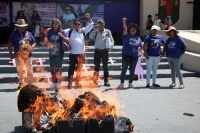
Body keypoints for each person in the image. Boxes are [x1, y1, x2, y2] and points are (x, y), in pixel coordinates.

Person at [63, 18, 93, 89]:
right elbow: (60, 31)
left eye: (78, 24)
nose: (77, 25)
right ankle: (70, 83)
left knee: (79, 69)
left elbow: (91, 26)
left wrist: (89, 19)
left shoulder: (83, 31)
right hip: (72, 54)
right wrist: (50, 30)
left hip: (81, 54)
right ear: (73, 25)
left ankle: (77, 82)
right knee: (71, 69)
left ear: (81, 25)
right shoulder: (69, 31)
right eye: (75, 24)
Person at [8, 19, 36, 89]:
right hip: (18, 55)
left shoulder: (28, 33)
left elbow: (34, 42)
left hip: (28, 55)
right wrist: (10, 54)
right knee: (20, 70)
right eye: (20, 26)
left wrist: (32, 47)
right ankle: (21, 83)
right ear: (17, 26)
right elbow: (10, 44)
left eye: (23, 26)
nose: (21, 28)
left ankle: (30, 83)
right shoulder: (13, 34)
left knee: (29, 69)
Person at [117, 18, 143, 89]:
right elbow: (125, 29)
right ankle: (121, 83)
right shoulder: (126, 35)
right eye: (132, 28)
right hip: (126, 56)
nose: (133, 29)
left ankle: (130, 83)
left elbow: (141, 47)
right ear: (130, 29)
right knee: (124, 70)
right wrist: (123, 21)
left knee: (132, 71)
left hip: (134, 57)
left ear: (136, 31)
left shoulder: (138, 38)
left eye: (135, 29)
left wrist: (141, 52)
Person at [43, 18, 68, 89]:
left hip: (60, 51)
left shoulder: (62, 32)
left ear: (59, 25)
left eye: (56, 24)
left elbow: (68, 40)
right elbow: (45, 41)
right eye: (54, 23)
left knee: (58, 68)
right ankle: (54, 82)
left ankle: (58, 82)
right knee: (52, 67)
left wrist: (62, 36)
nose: (55, 25)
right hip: (52, 50)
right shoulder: (49, 32)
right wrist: (45, 39)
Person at [89, 20, 114, 87]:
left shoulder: (107, 32)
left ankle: (106, 81)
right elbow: (90, 37)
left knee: (105, 67)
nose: (101, 26)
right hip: (97, 51)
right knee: (96, 67)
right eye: (100, 25)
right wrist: (94, 29)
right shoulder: (96, 31)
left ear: (104, 25)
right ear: (98, 25)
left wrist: (109, 47)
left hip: (105, 52)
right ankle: (95, 81)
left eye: (102, 25)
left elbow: (112, 40)